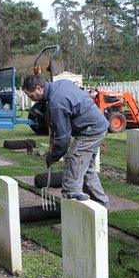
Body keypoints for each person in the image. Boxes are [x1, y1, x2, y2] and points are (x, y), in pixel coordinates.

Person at [22, 74, 110, 208]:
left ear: (39, 88)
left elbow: (63, 139)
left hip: (91, 130)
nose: (32, 100)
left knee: (74, 161)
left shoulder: (56, 103)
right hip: (97, 125)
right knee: (86, 169)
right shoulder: (60, 84)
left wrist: (53, 156)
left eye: (31, 96)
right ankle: (101, 206)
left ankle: (73, 204)